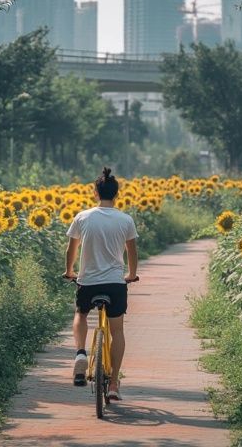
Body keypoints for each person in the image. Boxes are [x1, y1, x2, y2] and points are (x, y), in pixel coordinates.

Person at [63, 167, 139, 401]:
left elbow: (71, 249)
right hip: (115, 284)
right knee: (117, 331)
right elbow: (132, 252)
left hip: (88, 283)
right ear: (117, 195)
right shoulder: (125, 220)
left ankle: (80, 354)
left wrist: (69, 271)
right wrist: (131, 274)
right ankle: (114, 383)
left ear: (95, 193)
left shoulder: (83, 217)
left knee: (81, 314)